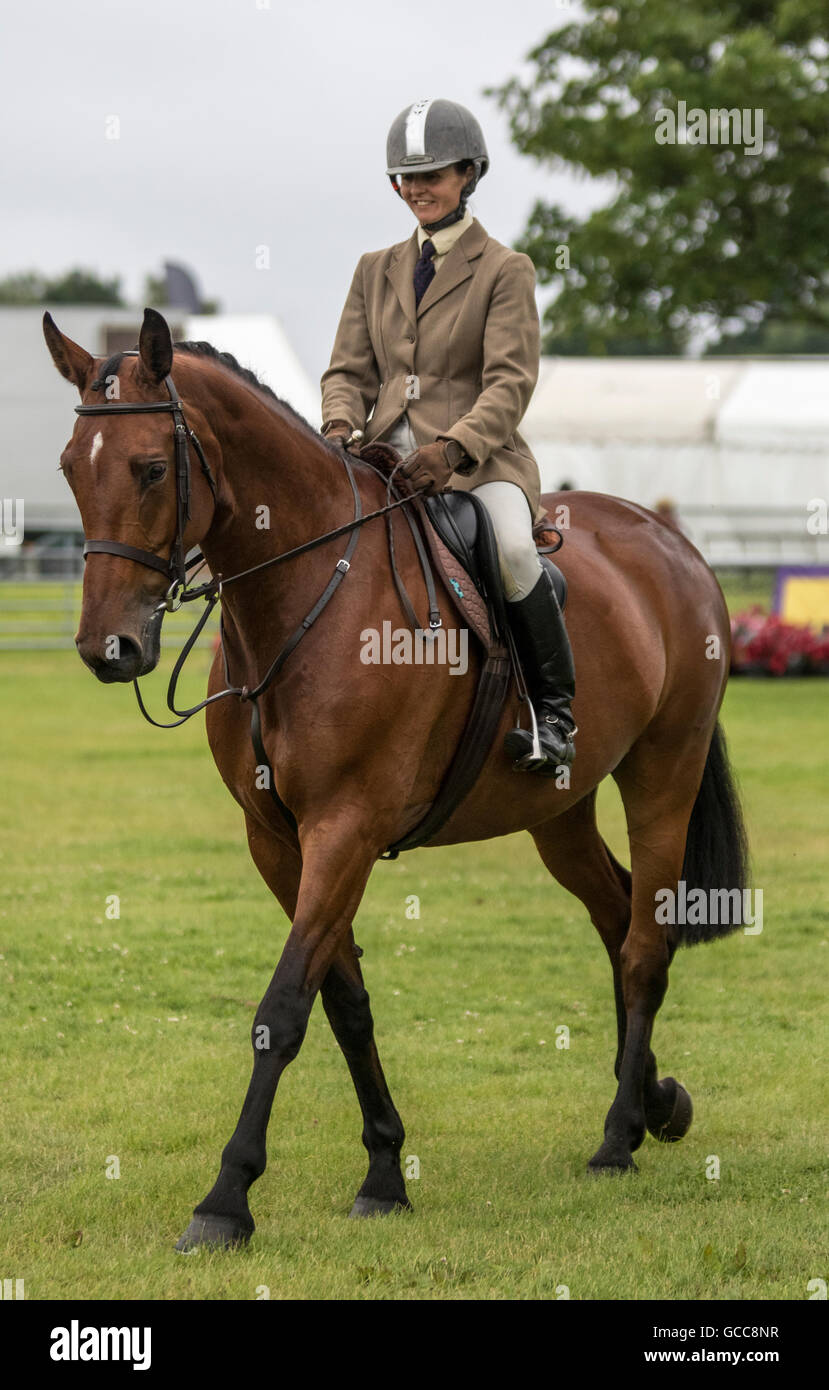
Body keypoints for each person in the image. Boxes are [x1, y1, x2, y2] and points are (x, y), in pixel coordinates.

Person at [320, 98, 576, 772]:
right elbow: (347, 369)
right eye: (404, 178)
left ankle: (553, 717)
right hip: (379, 462)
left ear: (468, 173)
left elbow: (509, 382)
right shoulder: (373, 268)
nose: (415, 190)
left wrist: (452, 449)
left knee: (515, 554)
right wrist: (339, 425)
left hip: (477, 466)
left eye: (430, 174)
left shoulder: (504, 269)